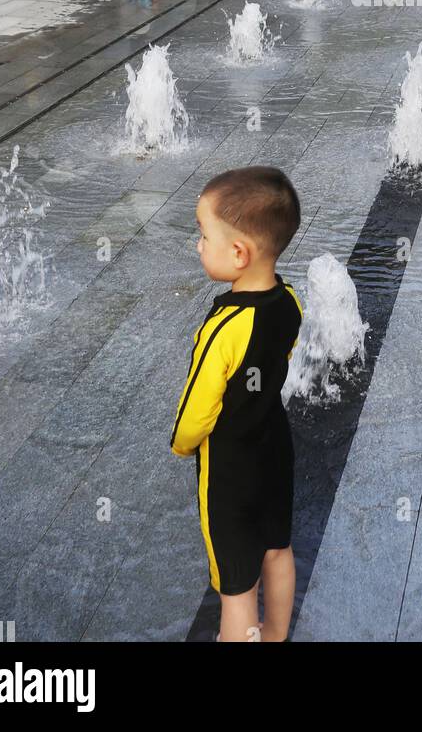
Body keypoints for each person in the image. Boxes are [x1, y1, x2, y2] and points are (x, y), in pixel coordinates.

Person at [171, 166, 303, 644]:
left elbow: (198, 408)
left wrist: (183, 447)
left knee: (237, 585)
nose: (199, 245)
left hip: (229, 469)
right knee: (277, 551)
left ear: (239, 253)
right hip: (275, 448)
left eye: (204, 235)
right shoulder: (290, 301)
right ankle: (274, 636)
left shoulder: (224, 326)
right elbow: (277, 364)